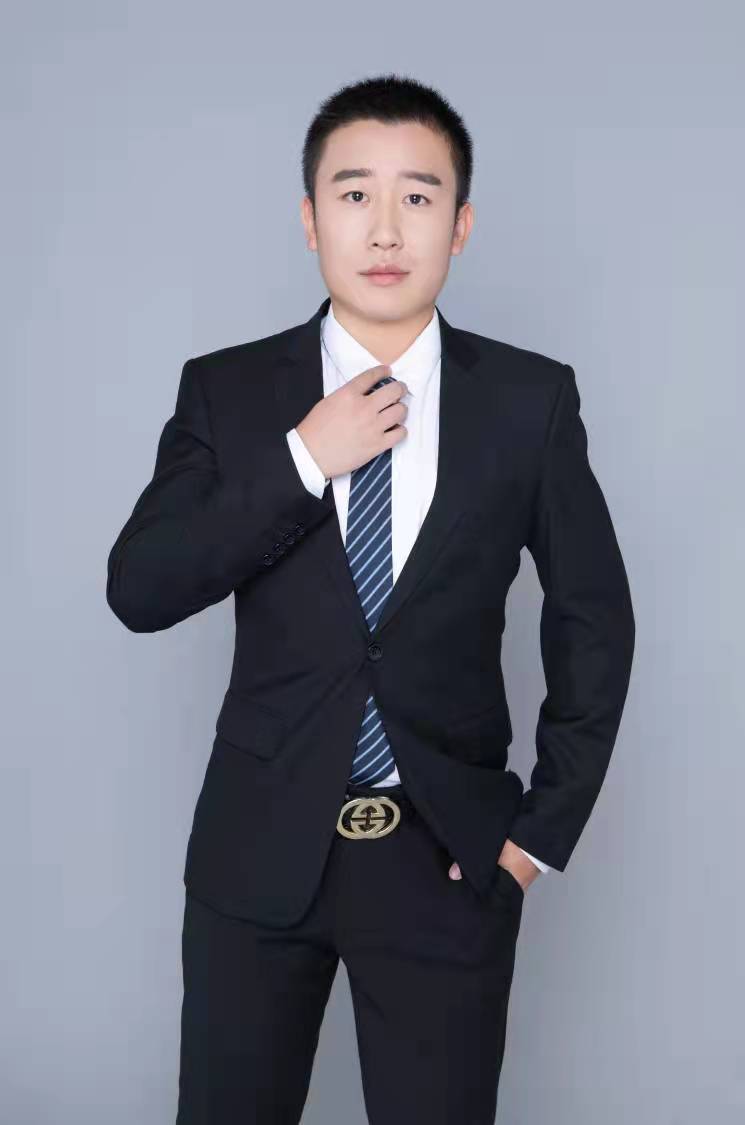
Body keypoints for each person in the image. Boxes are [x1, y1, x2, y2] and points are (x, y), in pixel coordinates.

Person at [106, 73, 636, 1125]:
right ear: (311, 221)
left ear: (461, 224)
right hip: (257, 854)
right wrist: (304, 458)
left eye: (418, 196)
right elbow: (142, 587)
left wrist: (538, 836)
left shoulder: (528, 400)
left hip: (447, 859)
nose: (385, 228)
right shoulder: (229, 390)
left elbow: (595, 620)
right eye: (354, 195)